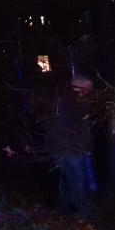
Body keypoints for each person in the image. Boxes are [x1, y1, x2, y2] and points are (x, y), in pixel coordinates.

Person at [43, 75, 94, 216]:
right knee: (77, 181)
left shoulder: (75, 102)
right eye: (87, 88)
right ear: (77, 87)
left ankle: (60, 210)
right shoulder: (67, 103)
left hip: (73, 149)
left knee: (68, 181)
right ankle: (87, 215)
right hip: (68, 149)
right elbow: (59, 126)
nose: (90, 91)